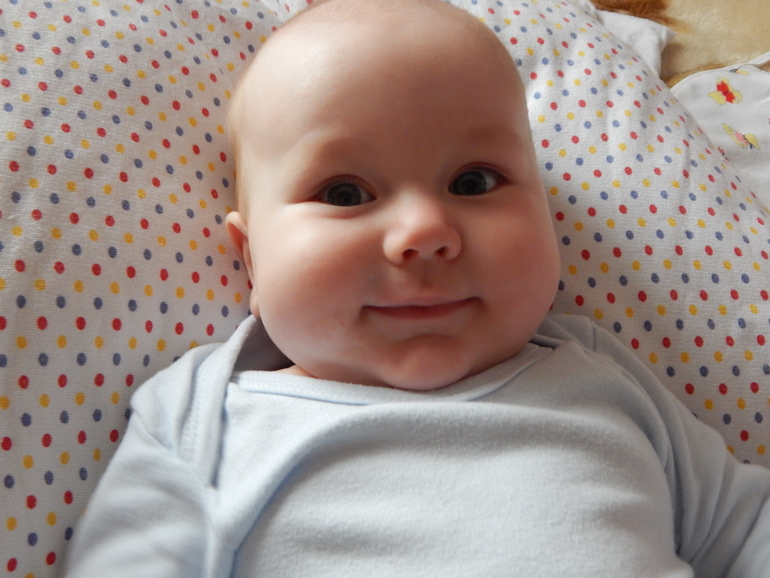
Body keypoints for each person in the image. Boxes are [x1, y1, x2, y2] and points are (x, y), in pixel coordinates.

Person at [64, 0, 770, 576]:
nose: (424, 231)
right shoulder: (205, 416)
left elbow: (743, 529)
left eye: (474, 182)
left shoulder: (602, 377)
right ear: (252, 262)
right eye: (345, 193)